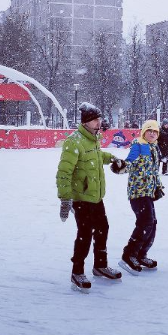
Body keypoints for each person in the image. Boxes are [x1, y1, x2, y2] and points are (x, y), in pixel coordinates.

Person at [56, 103, 123, 291]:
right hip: (81, 198)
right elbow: (63, 172)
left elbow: (97, 155)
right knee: (84, 235)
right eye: (95, 119)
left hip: (96, 197)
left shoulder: (93, 139)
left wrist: (113, 159)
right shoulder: (74, 141)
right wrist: (65, 198)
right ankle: (77, 271)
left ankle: (100, 266)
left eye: (99, 119)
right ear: (85, 122)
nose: (99, 122)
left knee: (103, 228)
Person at [113, 119, 163, 275]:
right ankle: (129, 255)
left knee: (152, 223)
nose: (152, 134)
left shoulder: (154, 147)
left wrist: (158, 187)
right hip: (138, 192)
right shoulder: (139, 145)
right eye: (149, 131)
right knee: (145, 222)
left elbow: (154, 171)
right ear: (143, 132)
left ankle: (141, 254)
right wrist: (120, 166)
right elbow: (130, 163)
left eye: (155, 131)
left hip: (148, 192)